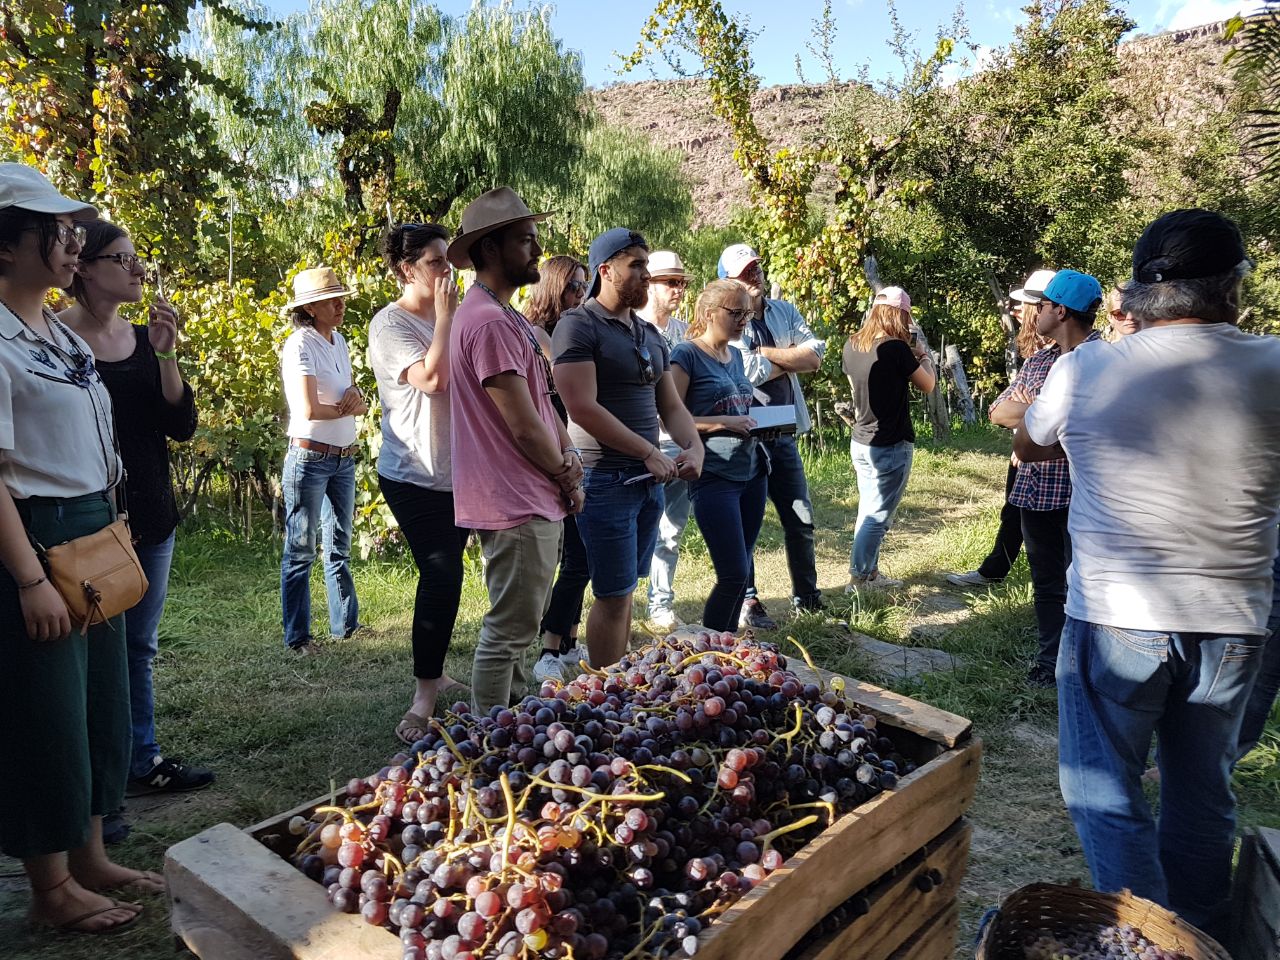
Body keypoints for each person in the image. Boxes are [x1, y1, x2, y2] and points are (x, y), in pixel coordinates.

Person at [1014, 209, 1280, 938]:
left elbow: (1031, 447)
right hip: (1233, 624)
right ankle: (1196, 937)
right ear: (1232, 286)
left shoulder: (1087, 367)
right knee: (1203, 794)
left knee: (1103, 792)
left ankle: (1144, 945)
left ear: (1140, 291)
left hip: (1115, 618)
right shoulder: (1274, 364)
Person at [0, 162, 163, 935]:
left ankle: (91, 852)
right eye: (55, 231)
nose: (71, 243)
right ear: (7, 245)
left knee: (101, 699)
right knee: (47, 714)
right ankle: (51, 888)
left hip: (96, 525)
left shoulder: (53, 331)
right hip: (37, 536)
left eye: (72, 231)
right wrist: (28, 578)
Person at [61, 221, 213, 831]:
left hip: (151, 509)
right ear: (86, 268)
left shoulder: (142, 336)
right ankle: (99, 786)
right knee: (96, 653)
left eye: (135, 258)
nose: (136, 268)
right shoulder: (56, 338)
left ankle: (140, 760)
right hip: (94, 520)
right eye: (121, 259)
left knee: (138, 646)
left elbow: (179, 424)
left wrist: (167, 350)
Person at [446, 187, 583, 712]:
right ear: (488, 250)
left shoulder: (505, 318)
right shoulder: (487, 322)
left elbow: (544, 408)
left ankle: (513, 717)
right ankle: (486, 738)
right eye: (525, 240)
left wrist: (566, 459)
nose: (536, 249)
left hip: (527, 493)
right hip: (516, 498)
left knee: (520, 626)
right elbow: (524, 427)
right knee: (508, 630)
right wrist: (566, 475)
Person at [552, 228, 703, 668]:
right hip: (604, 479)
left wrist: (693, 447)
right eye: (635, 264)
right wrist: (646, 450)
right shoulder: (577, 325)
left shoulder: (650, 335)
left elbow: (671, 405)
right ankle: (604, 692)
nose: (645, 273)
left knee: (626, 591)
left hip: (647, 481)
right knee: (613, 594)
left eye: (645, 263)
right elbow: (581, 407)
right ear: (605, 270)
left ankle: (616, 686)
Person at [369, 223, 472, 745]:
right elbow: (433, 380)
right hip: (414, 474)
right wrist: (449, 316)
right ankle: (424, 696)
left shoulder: (448, 314)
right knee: (441, 574)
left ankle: (439, 673)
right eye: (435, 263)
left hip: (461, 472)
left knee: (449, 579)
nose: (446, 272)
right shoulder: (390, 325)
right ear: (407, 270)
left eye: (447, 261)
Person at [990, 268, 1103, 688]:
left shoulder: (1102, 361)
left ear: (1059, 310)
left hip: (1082, 492)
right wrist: (1050, 414)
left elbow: (1085, 426)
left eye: (1039, 305)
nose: (1031, 312)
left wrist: (1042, 420)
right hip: (1036, 489)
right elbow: (999, 412)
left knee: (1086, 583)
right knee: (1048, 584)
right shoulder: (1040, 359)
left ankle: (1085, 666)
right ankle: (1049, 662)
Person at [719, 243, 826, 629]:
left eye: (756, 269)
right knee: (748, 525)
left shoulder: (785, 311)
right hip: (746, 436)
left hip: (783, 434)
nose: (754, 277)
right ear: (727, 282)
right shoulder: (727, 323)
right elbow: (746, 372)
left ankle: (808, 598)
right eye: (745, 273)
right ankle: (749, 602)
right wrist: (789, 356)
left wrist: (767, 353)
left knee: (800, 517)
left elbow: (815, 355)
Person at [279, 267, 367, 655]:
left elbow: (348, 393)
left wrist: (356, 399)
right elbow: (309, 408)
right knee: (300, 550)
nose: (341, 304)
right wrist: (351, 408)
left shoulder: (339, 341)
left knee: (338, 547)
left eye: (341, 296)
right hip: (310, 457)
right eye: (332, 299)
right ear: (310, 307)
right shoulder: (300, 344)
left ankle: (345, 626)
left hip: (343, 459)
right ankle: (298, 638)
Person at [668, 280, 765, 631]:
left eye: (747, 313)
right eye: (735, 312)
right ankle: (709, 650)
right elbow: (669, 419)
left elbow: (741, 408)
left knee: (741, 573)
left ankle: (726, 651)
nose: (743, 320)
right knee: (733, 573)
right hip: (714, 476)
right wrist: (723, 423)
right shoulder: (686, 355)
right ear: (709, 314)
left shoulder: (736, 355)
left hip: (753, 471)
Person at [947, 271, 1054, 588]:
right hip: (1023, 447)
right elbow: (998, 410)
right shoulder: (1036, 353)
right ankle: (994, 571)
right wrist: (1029, 410)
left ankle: (1002, 574)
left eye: (1023, 304)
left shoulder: (1058, 355)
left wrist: (1028, 412)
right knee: (1012, 511)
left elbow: (1052, 414)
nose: (1015, 309)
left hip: (1045, 457)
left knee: (1033, 521)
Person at [524, 255, 591, 682]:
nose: (581, 295)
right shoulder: (536, 332)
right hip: (553, 449)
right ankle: (549, 647)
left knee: (582, 554)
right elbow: (560, 380)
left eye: (585, 286)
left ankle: (567, 639)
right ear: (552, 289)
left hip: (576, 446)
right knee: (576, 556)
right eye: (573, 288)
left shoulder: (575, 328)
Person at [842, 287, 936, 589]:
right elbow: (928, 385)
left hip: (861, 439)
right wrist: (923, 356)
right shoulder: (896, 349)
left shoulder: (851, 345)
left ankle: (869, 572)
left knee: (866, 510)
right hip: (890, 443)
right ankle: (858, 578)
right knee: (878, 516)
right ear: (900, 314)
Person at [638, 251, 692, 631]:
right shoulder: (632, 329)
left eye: (682, 282)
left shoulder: (686, 332)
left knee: (671, 531)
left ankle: (660, 603)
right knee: (636, 530)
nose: (678, 290)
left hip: (678, 440)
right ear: (649, 283)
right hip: (640, 444)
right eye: (670, 282)